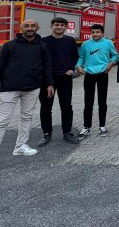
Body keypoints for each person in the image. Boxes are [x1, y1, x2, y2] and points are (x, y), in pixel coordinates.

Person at [0, 19, 54, 174]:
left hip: (32, 88)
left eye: (33, 26)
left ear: (37, 28)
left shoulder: (42, 46)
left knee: (26, 117)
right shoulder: (10, 46)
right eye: (27, 26)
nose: (30, 28)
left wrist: (49, 84)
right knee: (1, 122)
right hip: (10, 89)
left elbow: (47, 66)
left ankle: (20, 146)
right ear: (21, 28)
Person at [37, 17, 80, 147]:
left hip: (65, 78)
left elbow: (75, 57)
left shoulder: (70, 41)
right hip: (47, 80)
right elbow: (40, 59)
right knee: (46, 107)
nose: (59, 27)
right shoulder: (43, 41)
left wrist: (71, 69)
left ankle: (67, 132)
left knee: (66, 106)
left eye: (62, 25)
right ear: (51, 26)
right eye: (57, 25)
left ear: (65, 27)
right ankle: (46, 133)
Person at [76, 24, 119, 138]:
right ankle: (86, 127)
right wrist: (78, 66)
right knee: (88, 102)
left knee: (102, 101)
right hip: (89, 75)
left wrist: (110, 64)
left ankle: (102, 126)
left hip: (102, 74)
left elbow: (115, 56)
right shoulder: (86, 44)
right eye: (93, 32)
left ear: (102, 33)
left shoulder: (108, 43)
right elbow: (81, 58)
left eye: (98, 32)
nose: (95, 34)